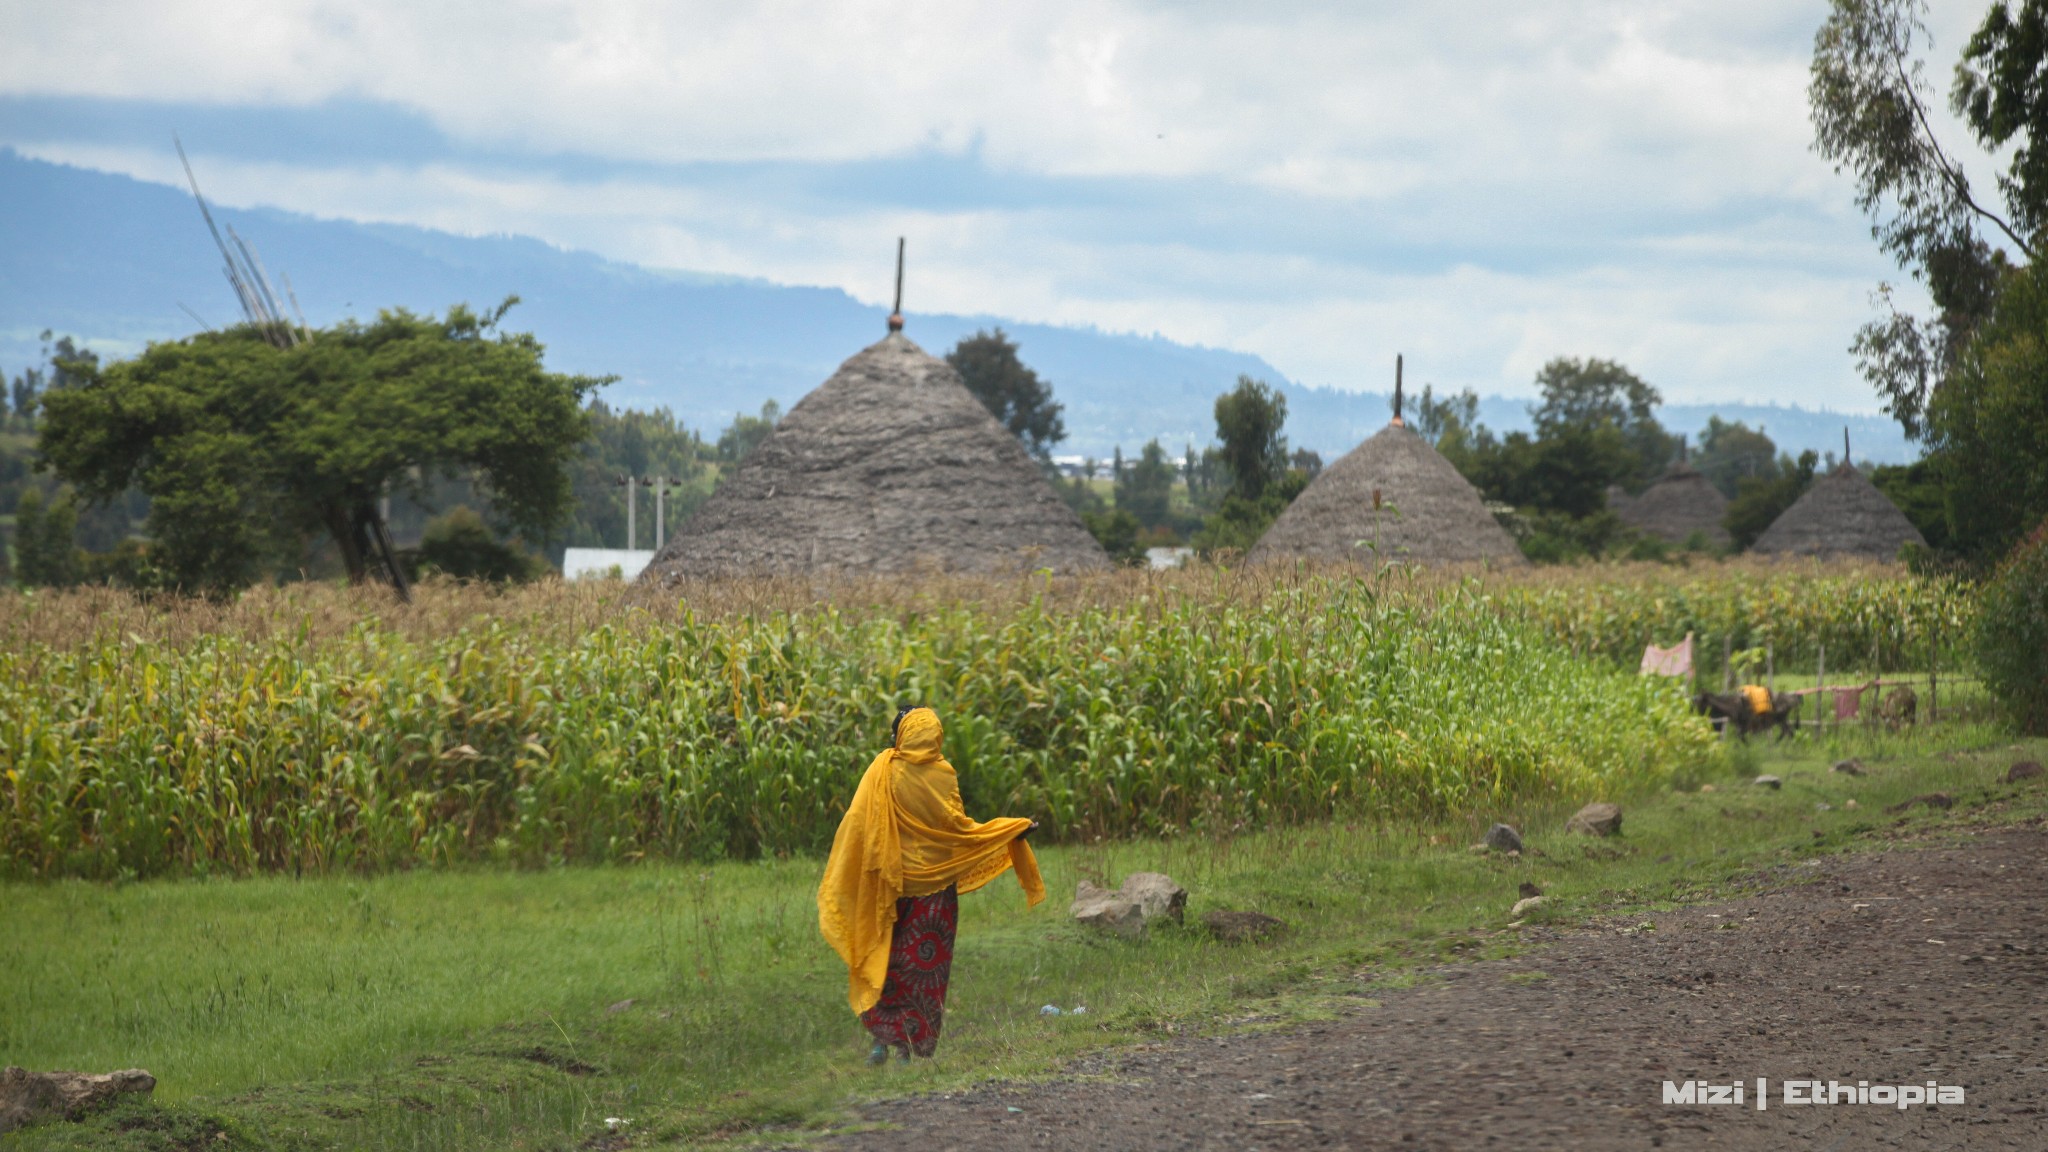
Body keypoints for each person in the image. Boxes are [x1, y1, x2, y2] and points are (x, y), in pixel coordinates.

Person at [817, 704, 1045, 1064]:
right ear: (935, 735)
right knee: (924, 972)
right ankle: (908, 1047)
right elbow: (960, 828)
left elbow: (859, 825)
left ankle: (880, 1041)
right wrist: (1011, 828)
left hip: (889, 888)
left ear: (902, 735)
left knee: (886, 960)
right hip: (935, 894)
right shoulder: (943, 774)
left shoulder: (884, 771)